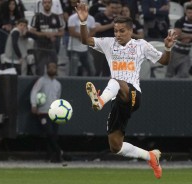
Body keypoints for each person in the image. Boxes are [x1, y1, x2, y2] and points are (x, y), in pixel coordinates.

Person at [75, 2, 176, 179]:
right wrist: (83, 23)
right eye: (116, 31)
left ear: (130, 31)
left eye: (122, 31)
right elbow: (85, 40)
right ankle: (150, 156)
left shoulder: (141, 45)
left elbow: (164, 61)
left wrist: (167, 47)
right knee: (115, 146)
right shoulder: (108, 44)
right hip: (117, 98)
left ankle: (99, 101)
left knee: (117, 80)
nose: (118, 34)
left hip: (133, 94)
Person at [30, 62, 64, 163]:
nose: (52, 69)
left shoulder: (58, 84)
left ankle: (52, 157)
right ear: (47, 69)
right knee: (49, 133)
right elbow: (34, 91)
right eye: (50, 67)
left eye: (54, 67)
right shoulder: (41, 81)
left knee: (53, 135)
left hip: (54, 112)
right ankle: (58, 151)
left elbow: (58, 97)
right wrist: (34, 104)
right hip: (43, 112)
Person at [30, 0, 65, 76]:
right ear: (42, 4)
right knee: (40, 69)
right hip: (40, 46)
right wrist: (45, 34)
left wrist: (53, 34)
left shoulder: (57, 17)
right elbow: (32, 31)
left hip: (52, 46)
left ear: (51, 4)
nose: (47, 4)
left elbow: (62, 32)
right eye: (45, 3)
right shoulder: (37, 17)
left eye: (49, 3)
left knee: (53, 69)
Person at [166, 4, 192, 78]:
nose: (191, 15)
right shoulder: (180, 21)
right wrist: (191, 36)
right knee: (169, 74)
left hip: (187, 53)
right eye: (189, 13)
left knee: (184, 74)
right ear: (186, 13)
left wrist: (188, 37)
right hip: (176, 52)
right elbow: (177, 36)